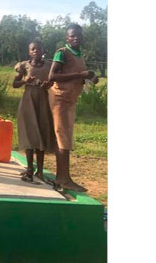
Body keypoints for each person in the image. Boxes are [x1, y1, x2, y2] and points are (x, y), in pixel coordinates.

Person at [48, 24, 94, 192]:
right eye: (72, 36)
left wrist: (88, 78)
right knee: (63, 137)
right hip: (60, 98)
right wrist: (79, 75)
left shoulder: (79, 54)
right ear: (66, 38)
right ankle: (63, 179)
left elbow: (78, 74)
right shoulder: (62, 52)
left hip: (70, 99)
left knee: (66, 137)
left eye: (78, 36)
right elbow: (52, 76)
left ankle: (63, 177)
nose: (76, 38)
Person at [11, 40, 59, 185]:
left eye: (38, 49)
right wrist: (26, 80)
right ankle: (30, 169)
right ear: (29, 52)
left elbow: (53, 81)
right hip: (28, 102)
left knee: (42, 135)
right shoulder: (23, 65)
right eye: (32, 49)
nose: (35, 51)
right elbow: (15, 84)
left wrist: (48, 84)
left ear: (43, 50)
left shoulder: (50, 66)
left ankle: (40, 170)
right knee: (30, 136)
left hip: (43, 102)